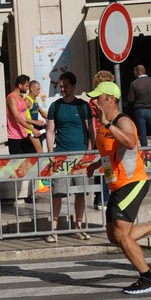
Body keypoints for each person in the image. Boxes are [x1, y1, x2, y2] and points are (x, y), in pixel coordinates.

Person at [86, 81, 151, 295]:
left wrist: (108, 124)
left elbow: (131, 142)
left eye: (98, 98)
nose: (94, 102)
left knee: (122, 234)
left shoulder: (123, 121)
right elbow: (109, 153)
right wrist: (96, 165)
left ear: (110, 99)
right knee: (114, 235)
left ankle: (149, 278)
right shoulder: (104, 124)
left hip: (133, 183)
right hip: (117, 184)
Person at [45, 71, 94, 242]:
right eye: (61, 86)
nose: (62, 89)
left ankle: (78, 226)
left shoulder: (83, 106)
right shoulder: (55, 106)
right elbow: (50, 131)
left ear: (74, 86)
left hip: (81, 156)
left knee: (80, 192)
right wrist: (51, 153)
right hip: (60, 157)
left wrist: (88, 152)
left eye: (65, 86)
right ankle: (54, 229)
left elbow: (91, 131)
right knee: (58, 193)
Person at [89, 70, 113, 210]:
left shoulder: (95, 99)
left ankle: (100, 196)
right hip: (103, 136)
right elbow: (92, 122)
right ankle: (103, 197)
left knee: (104, 166)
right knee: (106, 166)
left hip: (103, 135)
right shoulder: (96, 100)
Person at [6, 75, 44, 155]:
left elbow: (24, 116)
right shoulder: (11, 97)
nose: (28, 88)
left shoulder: (21, 97)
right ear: (20, 85)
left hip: (24, 134)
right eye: (26, 86)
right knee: (18, 165)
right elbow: (17, 117)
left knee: (32, 159)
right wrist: (33, 128)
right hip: (14, 137)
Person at [127, 65, 151, 147]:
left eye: (134, 72)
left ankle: (144, 150)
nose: (134, 74)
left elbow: (131, 99)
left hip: (139, 109)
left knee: (142, 132)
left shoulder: (134, 83)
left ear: (138, 72)